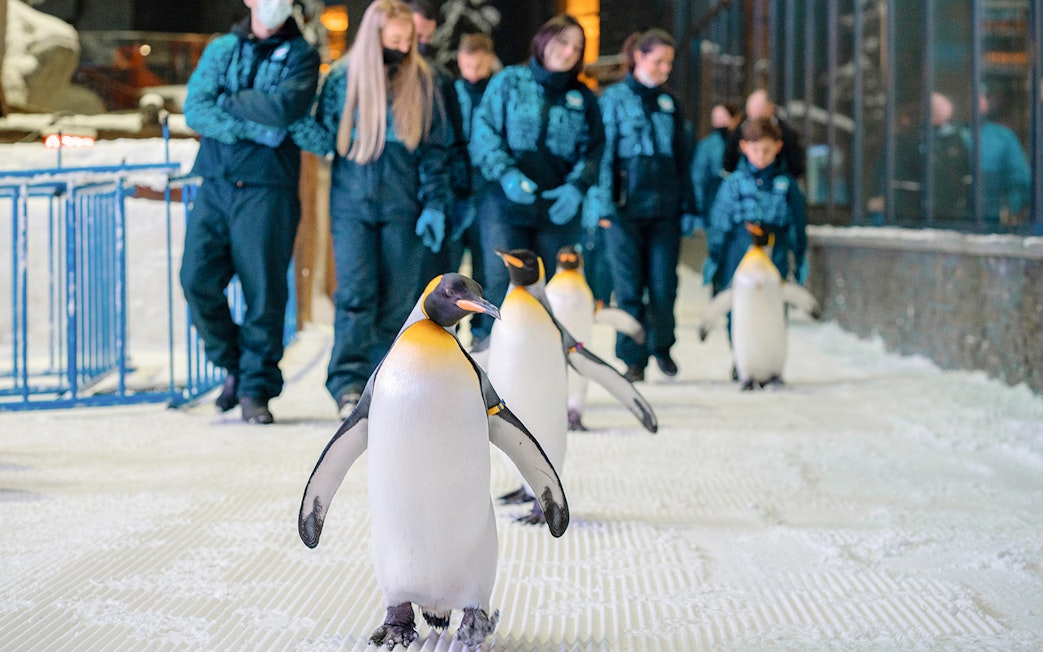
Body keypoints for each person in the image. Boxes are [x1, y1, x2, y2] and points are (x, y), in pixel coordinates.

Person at [290, 0, 451, 416]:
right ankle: (347, 382)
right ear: (374, 35)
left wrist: (434, 203)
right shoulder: (344, 77)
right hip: (352, 202)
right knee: (356, 295)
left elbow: (435, 149)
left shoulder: (423, 79)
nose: (401, 45)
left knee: (398, 299)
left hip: (404, 202)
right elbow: (326, 135)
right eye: (394, 38)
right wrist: (292, 119)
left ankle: (389, 378)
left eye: (407, 39)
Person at [180, 0, 319, 424]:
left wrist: (230, 100)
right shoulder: (222, 48)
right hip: (216, 182)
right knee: (197, 280)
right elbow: (197, 108)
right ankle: (237, 366)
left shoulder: (302, 54)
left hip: (267, 186)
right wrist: (255, 127)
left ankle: (256, 388)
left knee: (263, 291)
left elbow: (284, 110)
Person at [468, 13, 605, 344]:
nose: (569, 52)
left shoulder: (584, 98)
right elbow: (484, 130)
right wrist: (506, 173)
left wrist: (577, 186)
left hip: (557, 210)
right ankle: (491, 364)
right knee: (502, 284)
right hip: (504, 204)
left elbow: (595, 149)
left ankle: (543, 367)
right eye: (563, 42)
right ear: (544, 41)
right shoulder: (509, 81)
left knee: (551, 293)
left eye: (577, 47)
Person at [590, 28, 697, 381]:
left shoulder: (670, 103)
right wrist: (604, 205)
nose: (664, 68)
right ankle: (633, 356)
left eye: (669, 62)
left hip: (665, 210)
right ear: (639, 57)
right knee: (629, 289)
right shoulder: (613, 99)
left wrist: (689, 205)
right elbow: (602, 155)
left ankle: (662, 346)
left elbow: (684, 157)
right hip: (625, 212)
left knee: (664, 286)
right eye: (658, 60)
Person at [706, 116, 807, 307]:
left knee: (773, 304)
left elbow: (797, 222)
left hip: (775, 248)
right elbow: (719, 221)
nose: (761, 156)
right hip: (739, 246)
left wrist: (799, 256)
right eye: (755, 150)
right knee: (736, 302)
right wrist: (715, 256)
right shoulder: (733, 183)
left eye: (767, 150)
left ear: (778, 147)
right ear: (744, 147)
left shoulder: (786, 185)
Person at [449, 32, 498, 343]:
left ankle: (482, 331)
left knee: (486, 264)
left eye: (479, 66)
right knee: (449, 263)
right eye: (467, 65)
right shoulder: (451, 90)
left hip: (488, 187)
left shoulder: (498, 91)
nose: (473, 73)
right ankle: (447, 326)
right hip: (455, 187)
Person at [966, 92, 1030, 224]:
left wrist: (1012, 209)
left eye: (982, 98)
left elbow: (1019, 177)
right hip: (956, 214)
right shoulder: (954, 134)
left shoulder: (1003, 136)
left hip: (992, 214)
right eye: (974, 98)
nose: (979, 103)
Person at [723, 89, 805, 179]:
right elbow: (729, 161)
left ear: (771, 109)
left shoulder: (787, 134)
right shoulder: (739, 132)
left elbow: (795, 164)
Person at [691, 102, 740, 232]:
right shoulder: (707, 145)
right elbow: (698, 177)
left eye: (723, 117)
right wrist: (698, 207)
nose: (720, 122)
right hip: (713, 198)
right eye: (716, 118)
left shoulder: (742, 142)